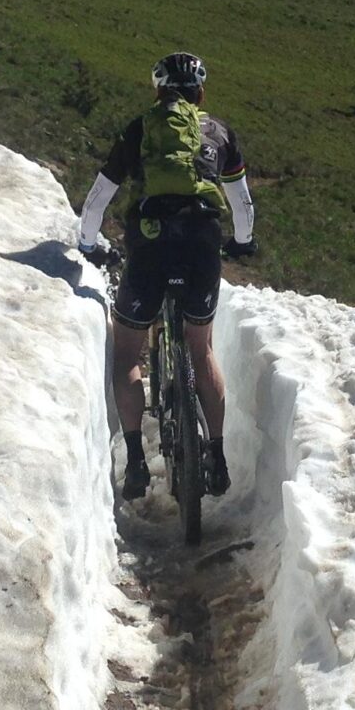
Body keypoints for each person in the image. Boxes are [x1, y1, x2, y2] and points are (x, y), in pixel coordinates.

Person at [75, 51, 256, 501]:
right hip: (201, 243)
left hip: (151, 244)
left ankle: (136, 461)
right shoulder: (219, 133)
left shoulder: (140, 130)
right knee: (201, 347)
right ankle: (215, 456)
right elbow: (243, 206)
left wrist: (88, 246)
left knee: (127, 355)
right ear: (201, 93)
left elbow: (97, 200)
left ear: (158, 90)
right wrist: (241, 242)